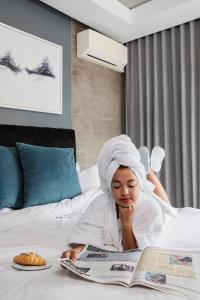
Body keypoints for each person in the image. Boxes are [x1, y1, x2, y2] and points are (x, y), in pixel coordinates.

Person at [61, 135, 177, 260]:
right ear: (110, 187)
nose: (124, 192)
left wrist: (126, 223)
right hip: (137, 180)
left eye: (131, 185)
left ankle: (149, 172)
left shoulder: (151, 209)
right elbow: (86, 234)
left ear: (139, 184)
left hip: (150, 199)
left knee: (166, 207)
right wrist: (77, 250)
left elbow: (135, 254)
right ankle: (147, 170)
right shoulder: (101, 204)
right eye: (116, 186)